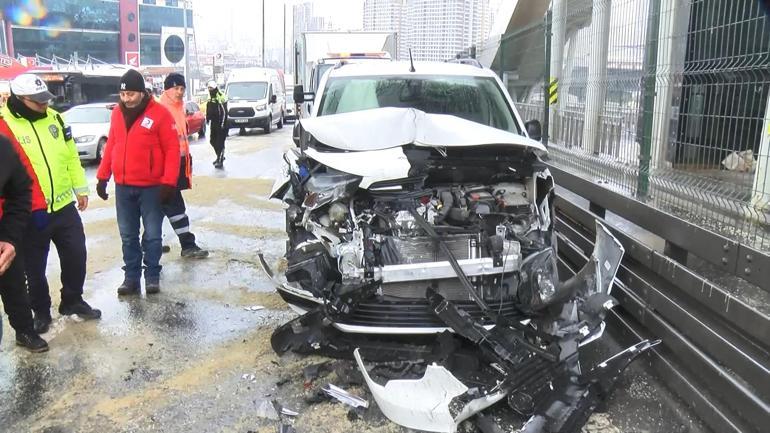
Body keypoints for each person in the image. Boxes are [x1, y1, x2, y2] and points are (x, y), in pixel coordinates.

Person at [1, 74, 101, 335]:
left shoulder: (55, 118)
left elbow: (69, 156)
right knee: (34, 266)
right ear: (20, 100)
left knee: (76, 253)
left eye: (46, 99)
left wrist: (81, 189)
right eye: (38, 102)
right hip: (31, 210)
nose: (44, 105)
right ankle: (41, 311)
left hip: (63, 205)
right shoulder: (5, 126)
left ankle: (72, 300)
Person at [96, 69, 180, 296]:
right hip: (123, 187)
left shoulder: (160, 114)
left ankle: (152, 275)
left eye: (131, 94)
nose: (126, 99)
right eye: (123, 95)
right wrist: (103, 177)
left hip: (152, 187)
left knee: (152, 234)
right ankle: (131, 278)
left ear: (142, 93)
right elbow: (111, 145)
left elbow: (172, 150)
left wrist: (169, 183)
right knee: (128, 235)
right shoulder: (116, 114)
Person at [0, 133, 49, 352]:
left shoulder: (2, 145)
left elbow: (20, 190)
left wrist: (9, 237)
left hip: (3, 235)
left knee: (15, 285)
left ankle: (25, 331)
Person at [157, 73, 209, 259]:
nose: (179, 92)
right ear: (167, 89)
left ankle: (152, 242)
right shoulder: (162, 109)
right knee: (175, 207)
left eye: (182, 89)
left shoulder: (178, 108)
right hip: (165, 168)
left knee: (159, 208)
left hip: (177, 164)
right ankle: (187, 245)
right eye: (176, 88)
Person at [206, 80, 228, 169]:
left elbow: (224, 112)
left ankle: (220, 160)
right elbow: (208, 107)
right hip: (214, 123)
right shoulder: (210, 97)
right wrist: (207, 118)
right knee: (212, 141)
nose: (209, 89)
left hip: (221, 123)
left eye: (211, 88)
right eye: (208, 88)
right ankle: (219, 155)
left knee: (220, 143)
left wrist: (223, 124)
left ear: (214, 88)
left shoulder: (220, 97)